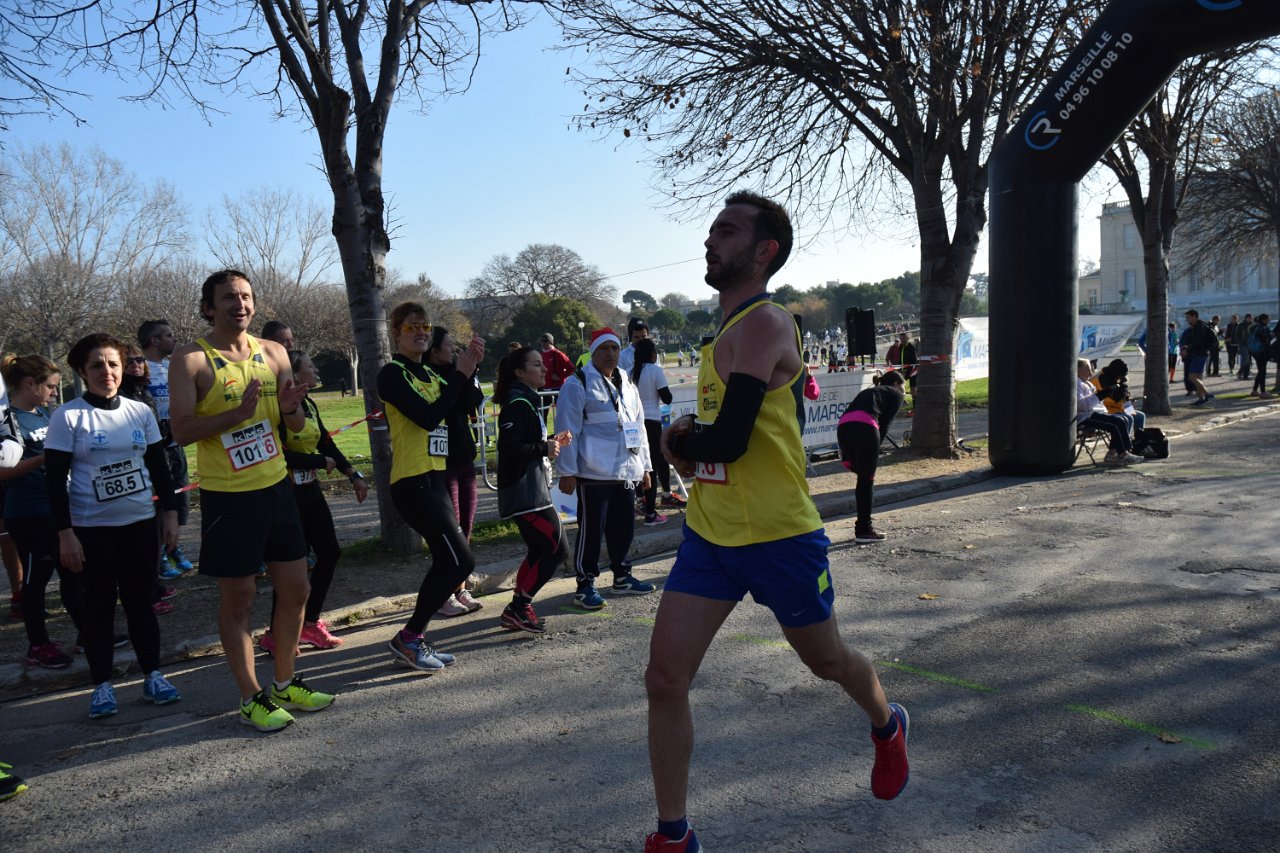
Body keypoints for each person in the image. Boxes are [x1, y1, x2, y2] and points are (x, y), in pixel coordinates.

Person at [648, 192, 909, 851]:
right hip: (710, 536)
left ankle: (887, 724)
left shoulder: (767, 323)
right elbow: (724, 429)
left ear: (764, 251)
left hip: (780, 536)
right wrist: (689, 432)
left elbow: (732, 439)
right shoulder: (720, 335)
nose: (710, 240)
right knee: (664, 679)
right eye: (712, 229)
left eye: (726, 230)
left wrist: (683, 440)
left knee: (827, 660)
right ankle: (674, 836)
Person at [169, 270, 334, 732]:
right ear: (209, 308)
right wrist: (236, 414)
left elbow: (294, 426)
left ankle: (284, 682)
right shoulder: (190, 359)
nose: (239, 304)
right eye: (228, 298)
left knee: (297, 589)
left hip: (277, 486)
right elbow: (181, 431)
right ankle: (249, 696)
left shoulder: (274, 352)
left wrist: (290, 408)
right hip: (228, 496)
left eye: (245, 296)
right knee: (239, 598)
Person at [44, 333, 183, 718]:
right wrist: (66, 534)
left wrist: (171, 515)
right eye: (97, 365)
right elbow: (54, 483)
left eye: (113, 364)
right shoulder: (68, 416)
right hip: (92, 530)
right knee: (99, 607)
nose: (107, 371)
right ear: (82, 371)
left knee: (141, 604)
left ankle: (153, 676)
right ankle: (102, 685)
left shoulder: (139, 412)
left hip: (139, 525)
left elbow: (158, 468)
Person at [377, 301, 486, 673]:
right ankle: (409, 638)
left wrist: (471, 368)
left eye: (425, 326)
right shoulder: (392, 374)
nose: (421, 332)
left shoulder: (431, 374)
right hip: (412, 482)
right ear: (396, 333)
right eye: (412, 327)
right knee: (461, 561)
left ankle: (412, 639)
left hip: (435, 478)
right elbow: (426, 417)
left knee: (449, 560)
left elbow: (464, 405)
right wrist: (458, 377)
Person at [259, 350, 369, 654]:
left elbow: (325, 442)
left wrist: (353, 473)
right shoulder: (278, 409)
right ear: (294, 374)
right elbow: (279, 453)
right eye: (311, 366)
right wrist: (319, 461)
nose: (317, 369)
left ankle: (309, 622)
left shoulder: (308, 403)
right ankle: (275, 633)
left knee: (330, 553)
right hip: (287, 494)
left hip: (310, 491)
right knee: (292, 566)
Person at [555, 327, 656, 610]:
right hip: (593, 472)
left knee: (623, 528)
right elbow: (567, 430)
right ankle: (585, 584)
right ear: (593, 353)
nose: (610, 354)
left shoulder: (627, 381)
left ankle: (622, 576)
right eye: (604, 349)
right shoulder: (577, 383)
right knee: (591, 531)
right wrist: (567, 472)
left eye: (614, 348)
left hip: (626, 471)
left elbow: (639, 428)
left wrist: (645, 467)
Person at [0, 355, 86, 669]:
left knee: (73, 571)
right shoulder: (8, 420)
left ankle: (87, 633)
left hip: (56, 506)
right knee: (37, 579)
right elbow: (3, 471)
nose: (54, 392)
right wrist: (45, 458)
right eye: (49, 386)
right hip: (28, 512)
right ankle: (38, 645)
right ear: (29, 383)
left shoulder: (43, 414)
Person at [493, 347, 571, 634]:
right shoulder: (517, 402)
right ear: (519, 372)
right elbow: (509, 448)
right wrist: (543, 447)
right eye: (537, 364)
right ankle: (519, 607)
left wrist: (551, 441)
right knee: (557, 550)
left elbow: (526, 442)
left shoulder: (526, 399)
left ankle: (517, 608)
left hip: (532, 490)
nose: (544, 369)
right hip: (525, 494)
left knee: (540, 549)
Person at [424, 326, 486, 618]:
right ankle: (443, 593)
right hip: (441, 464)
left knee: (466, 527)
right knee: (450, 531)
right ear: (434, 349)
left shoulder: (457, 371)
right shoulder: (425, 376)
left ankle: (459, 587)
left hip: (464, 459)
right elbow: (441, 408)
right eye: (448, 344)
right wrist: (461, 375)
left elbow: (471, 403)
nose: (453, 349)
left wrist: (471, 371)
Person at [120, 344, 179, 617]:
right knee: (140, 539)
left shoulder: (144, 392)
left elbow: (155, 432)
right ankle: (147, 593)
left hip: (158, 466)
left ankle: (153, 585)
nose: (135, 365)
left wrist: (169, 431)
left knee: (155, 532)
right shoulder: (122, 396)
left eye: (139, 360)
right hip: (137, 472)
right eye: (128, 361)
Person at [138, 319, 194, 578]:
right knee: (159, 502)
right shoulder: (140, 368)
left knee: (180, 498)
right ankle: (159, 552)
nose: (174, 339)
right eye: (169, 335)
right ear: (154, 340)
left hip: (175, 441)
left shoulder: (173, 366)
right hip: (153, 444)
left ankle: (174, 546)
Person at [837, 370, 907, 544]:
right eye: (904, 387)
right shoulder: (896, 394)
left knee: (862, 477)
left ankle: (848, 460)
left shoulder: (871, 391)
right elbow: (884, 425)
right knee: (866, 480)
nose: (904, 391)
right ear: (896, 384)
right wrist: (874, 451)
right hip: (865, 427)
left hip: (843, 427)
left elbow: (852, 414)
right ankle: (864, 529)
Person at [631, 337, 674, 525]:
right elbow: (667, 398)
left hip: (633, 424)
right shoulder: (655, 371)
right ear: (652, 354)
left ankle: (638, 502)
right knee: (651, 467)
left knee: (635, 465)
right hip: (651, 421)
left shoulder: (630, 372)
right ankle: (650, 513)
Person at [1076, 359, 1143, 466]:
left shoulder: (1086, 383)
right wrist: (1102, 395)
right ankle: (1122, 454)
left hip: (1099, 412)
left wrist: (1126, 398)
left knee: (1131, 417)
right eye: (1087, 370)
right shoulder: (1080, 383)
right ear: (1077, 370)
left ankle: (1117, 452)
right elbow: (1081, 405)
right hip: (1087, 416)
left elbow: (1124, 404)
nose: (1091, 373)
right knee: (1121, 420)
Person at [1179, 309, 1217, 406]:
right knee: (1198, 377)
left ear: (1194, 316)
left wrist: (1187, 348)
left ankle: (1207, 394)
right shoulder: (1198, 326)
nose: (1187, 319)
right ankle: (1201, 399)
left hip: (1199, 354)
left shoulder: (1200, 327)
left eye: (1188, 317)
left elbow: (1198, 342)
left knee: (1191, 377)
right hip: (1199, 354)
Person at [1246, 314, 1272, 399]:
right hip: (1262, 352)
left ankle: (1255, 390)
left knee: (1260, 371)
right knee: (1262, 372)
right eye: (1268, 319)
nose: (1269, 320)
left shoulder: (1254, 327)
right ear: (1264, 320)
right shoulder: (1263, 328)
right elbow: (1265, 340)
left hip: (1254, 351)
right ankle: (1263, 391)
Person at [1235, 314, 1254, 380]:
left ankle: (1241, 373)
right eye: (1249, 318)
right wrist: (1241, 342)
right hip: (1243, 344)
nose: (1250, 319)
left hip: (1250, 345)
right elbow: (1237, 335)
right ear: (1246, 318)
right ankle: (1245, 375)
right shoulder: (1241, 325)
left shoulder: (1253, 325)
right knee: (1247, 359)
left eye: (1251, 318)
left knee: (1248, 360)